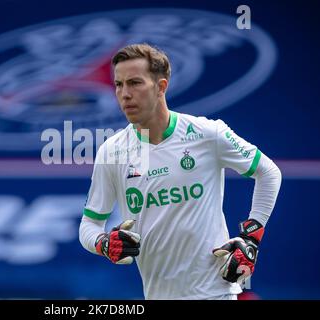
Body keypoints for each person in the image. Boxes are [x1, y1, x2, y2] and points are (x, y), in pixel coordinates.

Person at [79, 43, 282, 300]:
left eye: (135, 83)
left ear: (161, 87)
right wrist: (104, 243)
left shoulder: (207, 133)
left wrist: (251, 238)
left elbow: (269, 173)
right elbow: (89, 224)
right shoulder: (112, 151)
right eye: (119, 85)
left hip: (216, 293)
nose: (125, 94)